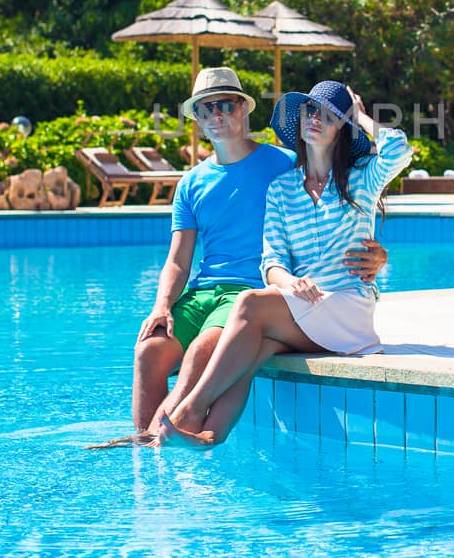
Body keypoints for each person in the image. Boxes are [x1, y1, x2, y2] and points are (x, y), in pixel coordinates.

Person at [88, 68, 386, 448]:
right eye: (206, 108)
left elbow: (341, 198)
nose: (217, 115)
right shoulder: (191, 183)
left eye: (226, 104)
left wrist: (378, 254)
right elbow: (178, 261)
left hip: (253, 291)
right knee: (149, 350)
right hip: (203, 293)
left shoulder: (284, 165)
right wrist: (161, 306)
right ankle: (150, 454)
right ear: (196, 119)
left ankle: (157, 438)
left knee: (201, 351)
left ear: (244, 110)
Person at [157, 81, 413, 446]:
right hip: (303, 305)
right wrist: (289, 283)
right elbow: (272, 261)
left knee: (248, 304)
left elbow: (399, 150)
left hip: (347, 306)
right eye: (310, 111)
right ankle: (211, 435)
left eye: (329, 115)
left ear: (342, 127)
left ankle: (188, 411)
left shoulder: (361, 179)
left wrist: (359, 115)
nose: (315, 119)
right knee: (254, 349)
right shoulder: (281, 188)